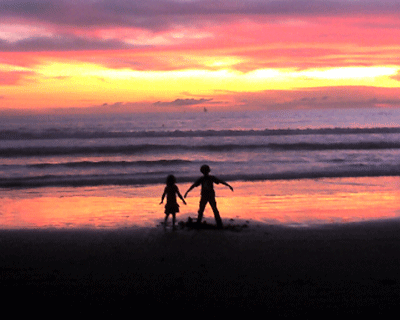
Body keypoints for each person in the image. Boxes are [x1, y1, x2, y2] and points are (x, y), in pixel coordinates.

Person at [184, 164, 233, 229]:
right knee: (207, 210)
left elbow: (220, 181)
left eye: (205, 171)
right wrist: (187, 192)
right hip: (206, 196)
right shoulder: (205, 178)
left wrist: (228, 185)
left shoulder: (208, 178)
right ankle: (217, 224)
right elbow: (194, 185)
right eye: (204, 171)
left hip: (208, 196)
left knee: (208, 210)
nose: (205, 172)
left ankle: (217, 224)